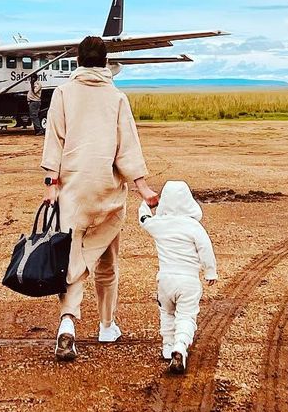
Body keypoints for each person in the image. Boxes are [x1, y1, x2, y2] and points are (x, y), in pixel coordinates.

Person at [41, 35, 159, 362]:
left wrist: (51, 183)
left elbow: (54, 141)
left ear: (78, 61)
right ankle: (107, 326)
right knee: (107, 262)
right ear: (105, 62)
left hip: (73, 193)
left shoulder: (62, 93)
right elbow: (128, 149)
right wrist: (143, 187)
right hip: (107, 194)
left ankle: (68, 322)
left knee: (73, 258)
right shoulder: (116, 97)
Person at [138, 181, 217, 376]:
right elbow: (205, 249)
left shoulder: (159, 224)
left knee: (167, 313)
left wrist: (147, 203)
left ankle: (167, 347)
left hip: (165, 280)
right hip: (188, 280)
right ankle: (180, 346)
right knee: (186, 316)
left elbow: (143, 219)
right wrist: (210, 272)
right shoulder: (193, 227)